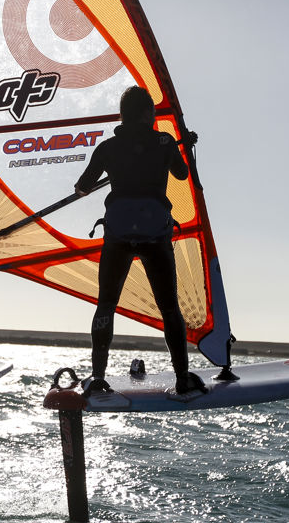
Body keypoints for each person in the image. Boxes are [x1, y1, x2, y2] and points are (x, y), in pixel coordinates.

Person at [74, 86, 206, 397]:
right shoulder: (164, 142)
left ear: (123, 115)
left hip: (118, 235)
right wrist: (184, 146)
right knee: (169, 308)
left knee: (106, 303)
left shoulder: (107, 148)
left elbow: (83, 187)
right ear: (149, 114)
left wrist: (105, 176)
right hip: (155, 235)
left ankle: (97, 376)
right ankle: (182, 377)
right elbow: (182, 174)